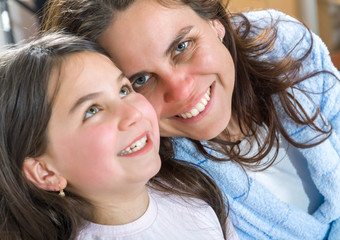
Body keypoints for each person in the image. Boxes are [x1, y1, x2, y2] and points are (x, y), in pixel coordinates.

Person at [42, 0, 340, 239]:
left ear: (213, 21)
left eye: (182, 46)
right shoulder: (154, 189)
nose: (180, 90)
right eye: (139, 80)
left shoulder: (282, 44)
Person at [0, 32, 238, 240]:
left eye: (124, 90)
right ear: (46, 172)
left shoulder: (194, 191)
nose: (132, 113)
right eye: (92, 110)